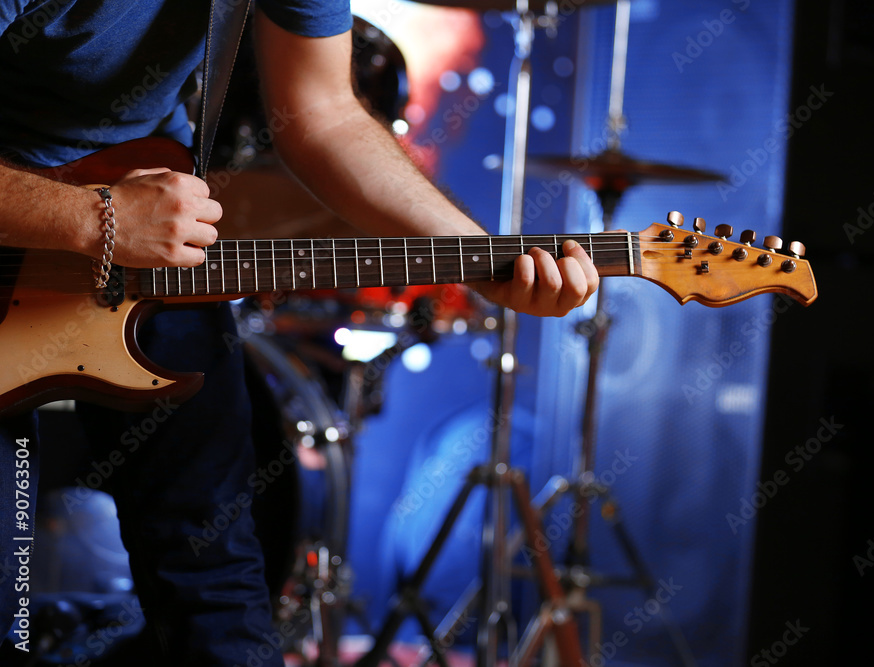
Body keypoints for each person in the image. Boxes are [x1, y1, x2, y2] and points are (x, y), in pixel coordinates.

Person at [0, 1, 598, 664]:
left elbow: (324, 115)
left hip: (147, 222)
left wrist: (479, 258)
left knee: (217, 591)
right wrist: (93, 218)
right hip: (46, 215)